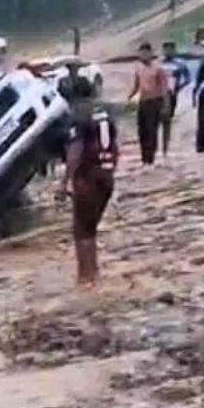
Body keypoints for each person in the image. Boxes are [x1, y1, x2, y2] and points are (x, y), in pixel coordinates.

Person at [64, 85, 119, 287]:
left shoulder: (77, 116)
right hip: (106, 176)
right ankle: (94, 272)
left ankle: (85, 278)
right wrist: (109, 172)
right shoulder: (107, 113)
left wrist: (64, 183)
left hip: (87, 177)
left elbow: (75, 153)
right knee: (91, 228)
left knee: (81, 230)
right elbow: (115, 147)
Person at [127, 42, 169, 166]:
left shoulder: (158, 68)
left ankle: (150, 158)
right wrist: (129, 98)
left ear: (151, 53)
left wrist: (165, 105)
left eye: (146, 53)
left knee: (152, 130)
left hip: (155, 102)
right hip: (143, 102)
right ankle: (144, 157)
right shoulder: (139, 68)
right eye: (142, 53)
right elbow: (136, 86)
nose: (144, 55)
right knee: (142, 130)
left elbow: (164, 88)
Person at [161, 41, 191, 157]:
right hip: (160, 95)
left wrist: (179, 87)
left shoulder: (180, 64)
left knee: (168, 119)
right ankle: (162, 146)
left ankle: (166, 146)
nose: (168, 52)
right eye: (166, 49)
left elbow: (187, 78)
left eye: (170, 49)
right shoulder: (159, 64)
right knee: (161, 119)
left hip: (172, 94)